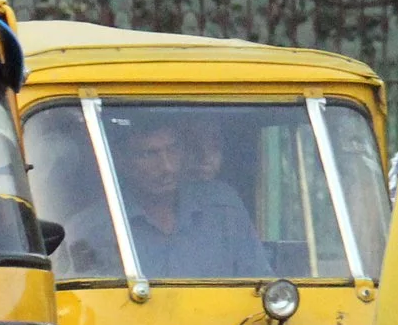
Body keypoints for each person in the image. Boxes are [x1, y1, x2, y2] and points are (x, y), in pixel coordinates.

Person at [62, 117, 269, 278]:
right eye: (148, 155)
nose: (167, 167)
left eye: (173, 150)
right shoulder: (89, 230)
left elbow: (261, 284)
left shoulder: (223, 209)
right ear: (122, 162)